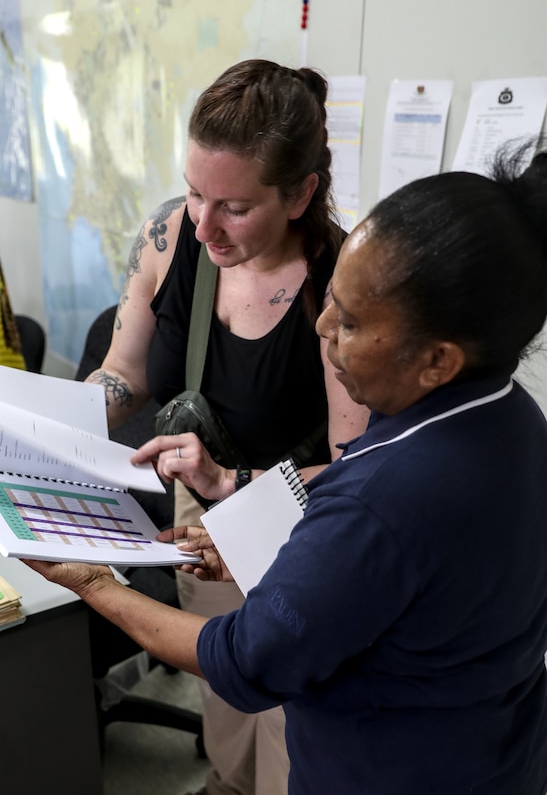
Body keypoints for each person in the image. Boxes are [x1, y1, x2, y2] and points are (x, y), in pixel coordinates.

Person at [25, 142, 547, 793]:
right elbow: (386, 554)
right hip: (492, 751)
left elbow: (247, 661)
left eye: (352, 322)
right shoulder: (510, 417)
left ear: (436, 360)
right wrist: (250, 526)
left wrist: (96, 583)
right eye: (330, 301)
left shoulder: (380, 504)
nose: (323, 327)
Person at [83, 59, 369, 795]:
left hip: (299, 527)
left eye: (234, 208)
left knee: (289, 723)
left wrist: (232, 483)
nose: (203, 225)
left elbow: (357, 468)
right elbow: (126, 374)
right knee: (223, 690)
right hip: (198, 519)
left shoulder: (341, 288)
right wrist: (50, 428)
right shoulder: (169, 234)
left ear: (301, 193)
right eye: (193, 192)